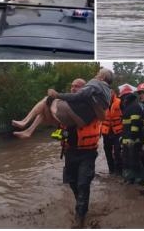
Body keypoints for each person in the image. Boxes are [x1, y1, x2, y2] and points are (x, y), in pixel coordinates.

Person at [11, 68, 113, 138]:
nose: (95, 76)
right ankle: (28, 130)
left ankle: (25, 122)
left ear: (102, 78)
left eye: (76, 86)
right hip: (73, 140)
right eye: (72, 86)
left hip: (80, 131)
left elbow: (78, 96)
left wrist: (57, 95)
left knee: (47, 99)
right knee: (45, 105)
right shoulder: (107, 93)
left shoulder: (95, 84)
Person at [50, 78, 97, 228]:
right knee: (72, 182)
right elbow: (56, 118)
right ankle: (82, 204)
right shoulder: (66, 106)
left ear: (84, 90)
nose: (73, 88)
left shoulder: (90, 106)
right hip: (70, 152)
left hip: (87, 153)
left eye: (77, 86)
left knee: (83, 183)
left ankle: (80, 216)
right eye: (72, 86)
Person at [119, 84, 143, 184]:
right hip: (127, 138)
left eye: (123, 97)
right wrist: (122, 137)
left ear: (127, 97)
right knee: (127, 160)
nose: (122, 100)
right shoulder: (129, 107)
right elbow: (125, 125)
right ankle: (129, 178)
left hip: (133, 140)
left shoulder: (134, 107)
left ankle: (137, 179)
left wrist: (132, 138)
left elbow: (135, 124)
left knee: (134, 160)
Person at [101, 90, 123, 175]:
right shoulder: (101, 103)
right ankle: (111, 169)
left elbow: (124, 114)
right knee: (107, 150)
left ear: (113, 94)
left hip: (117, 130)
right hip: (106, 131)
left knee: (117, 151)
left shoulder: (119, 102)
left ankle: (119, 170)